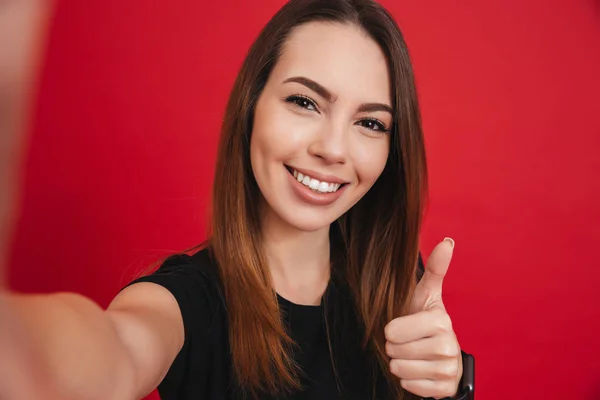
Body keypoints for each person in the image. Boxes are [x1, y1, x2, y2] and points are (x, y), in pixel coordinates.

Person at [0, 0, 475, 399]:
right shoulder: (185, 303)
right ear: (252, 107)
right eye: (304, 102)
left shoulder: (396, 283)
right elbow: (114, 349)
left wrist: (451, 386)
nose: (332, 149)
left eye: (370, 123)